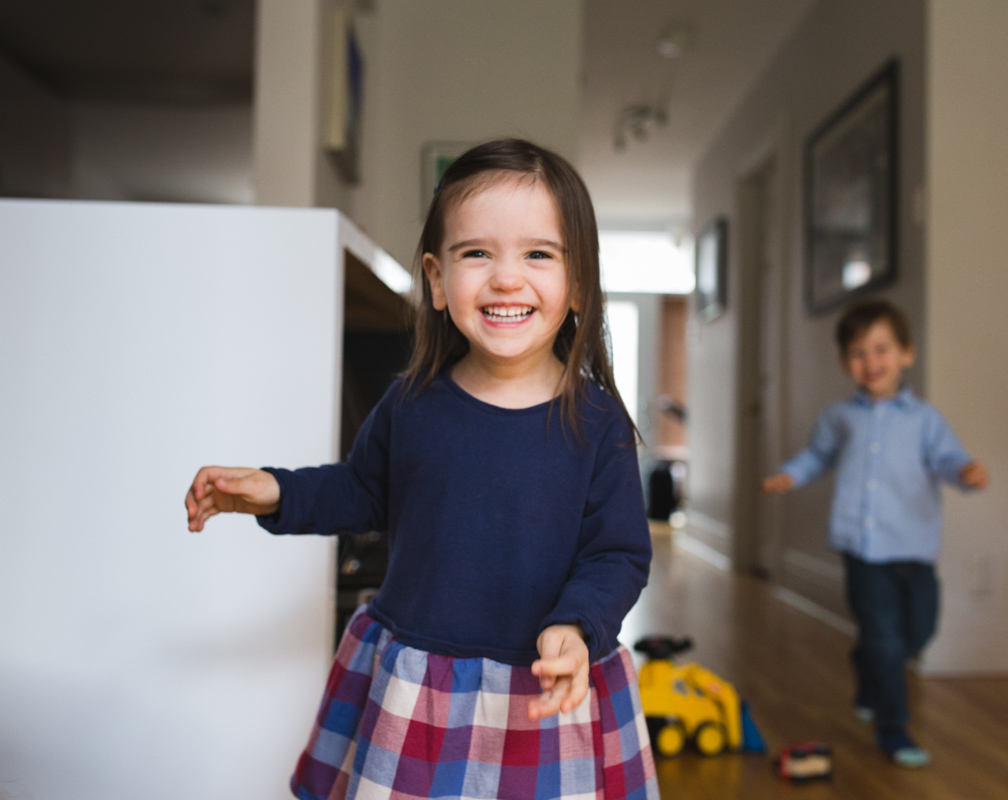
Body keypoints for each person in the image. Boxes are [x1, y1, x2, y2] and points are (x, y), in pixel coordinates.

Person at [185, 139, 658, 800]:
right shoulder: (412, 404)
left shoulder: (599, 426)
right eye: (476, 254)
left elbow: (618, 555)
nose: (506, 278)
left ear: (577, 283)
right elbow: (361, 491)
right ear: (437, 281)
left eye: (538, 255)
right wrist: (276, 491)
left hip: (542, 692)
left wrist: (576, 626)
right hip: (420, 690)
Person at [761, 299, 988, 768]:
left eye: (882, 349)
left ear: (907, 353)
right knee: (885, 639)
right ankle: (893, 729)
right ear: (847, 363)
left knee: (917, 634)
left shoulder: (926, 420)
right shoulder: (839, 418)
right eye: (859, 353)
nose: (872, 362)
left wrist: (965, 471)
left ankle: (868, 668)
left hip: (915, 547)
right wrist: (789, 475)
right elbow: (816, 457)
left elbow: (947, 460)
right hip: (863, 549)